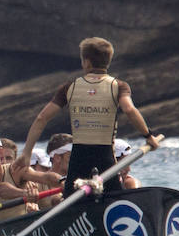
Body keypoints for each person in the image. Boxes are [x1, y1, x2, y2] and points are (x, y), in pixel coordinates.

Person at [17, 37, 162, 196]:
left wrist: (26, 153)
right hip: (105, 157)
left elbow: (41, 118)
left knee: (72, 201)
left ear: (86, 62)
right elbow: (129, 109)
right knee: (113, 198)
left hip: (79, 158)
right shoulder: (118, 86)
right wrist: (148, 136)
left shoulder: (69, 87)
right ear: (108, 61)